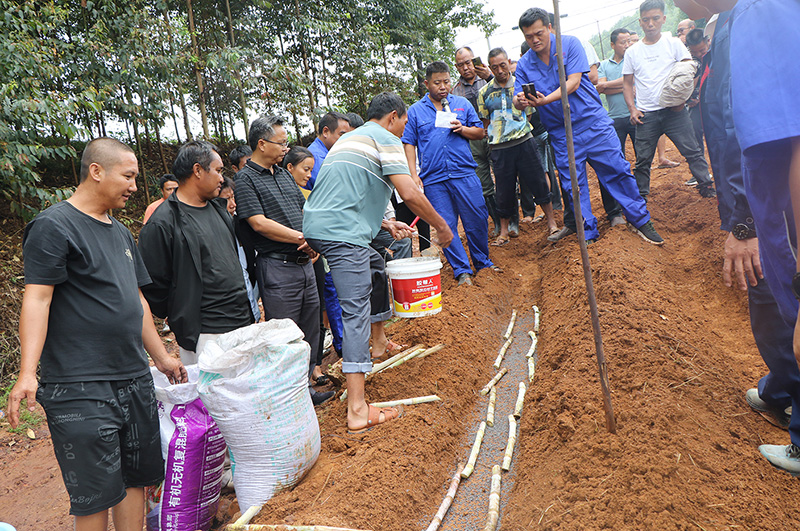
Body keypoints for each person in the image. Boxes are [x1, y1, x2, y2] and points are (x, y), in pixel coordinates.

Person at [7, 137, 187, 531]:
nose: (135, 187)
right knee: (95, 493)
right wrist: (27, 372)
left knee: (137, 478)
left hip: (134, 377)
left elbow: (136, 300)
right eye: (128, 176)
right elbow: (38, 299)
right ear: (96, 171)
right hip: (80, 384)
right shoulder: (54, 226)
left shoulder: (120, 233)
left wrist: (160, 357)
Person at [303, 91, 454, 433]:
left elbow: (345, 193)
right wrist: (443, 228)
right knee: (355, 310)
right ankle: (357, 409)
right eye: (403, 124)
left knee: (373, 261)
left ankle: (381, 341)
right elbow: (411, 194)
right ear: (393, 117)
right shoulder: (386, 138)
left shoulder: (350, 139)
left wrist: (385, 223)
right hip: (342, 234)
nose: (403, 131)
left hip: (321, 226)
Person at [513, 8, 664, 246]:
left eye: (539, 33)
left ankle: (640, 220)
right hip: (561, 133)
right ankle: (588, 232)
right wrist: (520, 101)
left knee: (617, 170)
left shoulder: (570, 44)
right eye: (528, 36)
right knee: (574, 185)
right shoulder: (524, 64)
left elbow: (573, 82)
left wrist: (544, 100)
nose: (534, 40)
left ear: (550, 28)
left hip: (592, 123)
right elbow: (517, 97)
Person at [726, 0, 800, 475]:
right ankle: (781, 390)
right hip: (765, 208)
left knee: (789, 307)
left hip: (781, 212)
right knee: (772, 303)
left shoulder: (763, 13)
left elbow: (790, 140)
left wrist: (745, 227)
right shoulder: (736, 23)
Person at [234, 115, 333, 406]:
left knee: (309, 328)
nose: (285, 149)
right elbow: (258, 223)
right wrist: (301, 238)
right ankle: (287, 399)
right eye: (281, 143)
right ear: (261, 144)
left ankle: (304, 390)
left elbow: (305, 211)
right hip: (278, 267)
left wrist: (312, 238)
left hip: (304, 263)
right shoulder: (246, 179)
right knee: (284, 334)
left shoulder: (283, 174)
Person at [139, 140, 254, 366]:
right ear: (198, 170)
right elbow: (154, 285)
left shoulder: (218, 210)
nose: (222, 178)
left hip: (241, 322)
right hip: (205, 334)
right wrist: (182, 312)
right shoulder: (163, 223)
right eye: (218, 170)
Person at [403, 61, 498, 285]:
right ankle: (461, 270)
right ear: (427, 84)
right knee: (445, 223)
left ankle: (482, 262)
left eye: (446, 81)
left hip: (464, 172)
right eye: (437, 83)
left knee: (476, 218)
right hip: (434, 178)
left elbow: (479, 131)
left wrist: (462, 129)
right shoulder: (416, 111)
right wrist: (412, 173)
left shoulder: (462, 104)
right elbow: (409, 143)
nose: (443, 87)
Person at [622, 0, 715, 199]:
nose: (651, 24)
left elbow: (691, 70)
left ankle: (706, 187)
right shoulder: (632, 52)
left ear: (663, 19)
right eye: (646, 20)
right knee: (643, 160)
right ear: (640, 22)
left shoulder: (673, 44)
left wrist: (683, 99)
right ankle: (642, 197)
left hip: (675, 112)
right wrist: (632, 109)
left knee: (693, 151)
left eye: (655, 18)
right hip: (646, 114)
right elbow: (627, 83)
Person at [477, 47, 558, 244]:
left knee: (538, 180)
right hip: (499, 147)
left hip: (524, 140)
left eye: (502, 65)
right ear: (490, 68)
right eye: (494, 67)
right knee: (503, 190)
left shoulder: (521, 85)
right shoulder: (484, 92)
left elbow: (529, 114)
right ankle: (504, 232)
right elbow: (485, 122)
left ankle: (552, 223)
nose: (499, 70)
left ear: (509, 62)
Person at [452, 46, 503, 237]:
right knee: (484, 183)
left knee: (503, 176)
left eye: (468, 62)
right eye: (461, 65)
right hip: (472, 139)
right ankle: (497, 222)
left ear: (474, 60)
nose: (465, 68)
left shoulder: (490, 79)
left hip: (496, 133)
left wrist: (490, 76)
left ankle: (511, 220)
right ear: (456, 68)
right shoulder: (454, 91)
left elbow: (505, 93)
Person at [218, 177, 261, 323]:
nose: (233, 204)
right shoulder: (217, 227)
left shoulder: (242, 221)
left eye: (233, 197)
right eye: (227, 200)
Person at [306, 111, 352, 190]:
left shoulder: (329, 154)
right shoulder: (316, 158)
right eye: (342, 135)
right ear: (325, 132)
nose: (346, 140)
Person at [685, 28, 709, 168]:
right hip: (695, 106)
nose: (698, 55)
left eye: (702, 51)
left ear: (708, 41)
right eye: (694, 52)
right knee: (694, 136)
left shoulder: (715, 56)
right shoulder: (689, 61)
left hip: (712, 103)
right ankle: (702, 171)